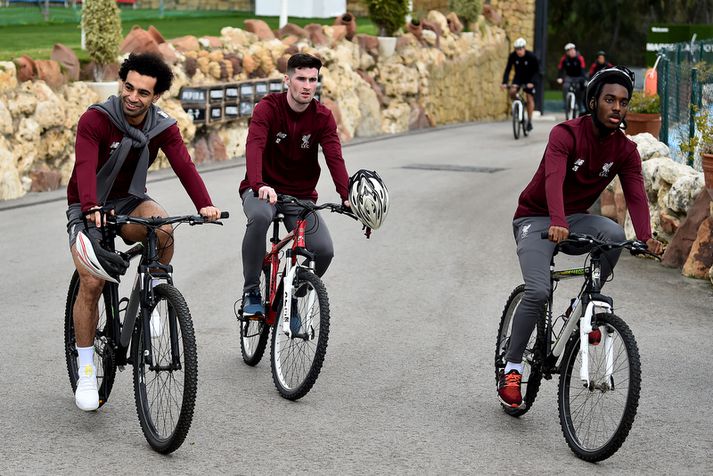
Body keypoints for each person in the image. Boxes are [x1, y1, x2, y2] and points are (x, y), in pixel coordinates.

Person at [497, 66, 664, 408]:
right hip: (536, 217)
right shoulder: (565, 134)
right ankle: (512, 366)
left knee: (614, 233)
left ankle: (585, 299)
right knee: (539, 290)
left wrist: (646, 238)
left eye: (623, 101)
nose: (617, 107)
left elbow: (636, 195)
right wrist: (556, 221)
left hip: (573, 219)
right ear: (592, 102)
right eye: (609, 99)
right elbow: (553, 180)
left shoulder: (625, 151)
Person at [66, 52, 221, 412]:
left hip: (129, 200)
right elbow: (85, 166)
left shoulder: (162, 125)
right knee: (91, 281)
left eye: (144, 93)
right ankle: (87, 369)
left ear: (156, 97)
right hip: (88, 204)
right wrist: (90, 209)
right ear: (122, 82)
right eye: (128, 87)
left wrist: (205, 204)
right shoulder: (96, 119)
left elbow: (183, 163)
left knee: (163, 230)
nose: (133, 97)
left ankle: (150, 301)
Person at [238, 53, 350, 317]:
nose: (307, 85)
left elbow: (334, 156)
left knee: (323, 251)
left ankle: (292, 294)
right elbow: (254, 146)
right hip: (262, 189)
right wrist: (258, 184)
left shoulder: (323, 117)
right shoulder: (267, 108)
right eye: (301, 78)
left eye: (313, 80)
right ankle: (251, 291)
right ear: (287, 80)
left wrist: (346, 195)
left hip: (300, 196)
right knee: (260, 218)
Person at [501, 37, 540, 131]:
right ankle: (518, 107)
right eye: (517, 49)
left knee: (529, 98)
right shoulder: (513, 56)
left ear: (524, 48)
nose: (519, 51)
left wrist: (532, 82)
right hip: (518, 78)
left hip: (529, 79)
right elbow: (508, 69)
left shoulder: (531, 56)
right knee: (512, 92)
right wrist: (504, 82)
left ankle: (529, 121)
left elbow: (537, 71)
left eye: (520, 49)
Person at [556, 43, 588, 116]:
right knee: (565, 86)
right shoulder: (564, 59)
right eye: (570, 50)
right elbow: (560, 69)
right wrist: (559, 78)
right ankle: (566, 104)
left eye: (573, 50)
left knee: (579, 88)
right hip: (569, 77)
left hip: (579, 77)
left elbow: (583, 70)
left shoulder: (580, 58)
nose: (572, 52)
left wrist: (584, 79)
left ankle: (580, 105)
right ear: (567, 52)